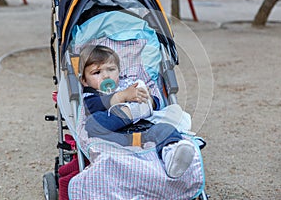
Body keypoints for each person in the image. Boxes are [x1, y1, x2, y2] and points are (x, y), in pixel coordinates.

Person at [79, 45, 195, 178]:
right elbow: (93, 107)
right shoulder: (91, 95)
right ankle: (130, 113)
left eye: (111, 69)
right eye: (97, 72)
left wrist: (149, 100)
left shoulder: (128, 84)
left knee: (165, 129)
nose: (106, 76)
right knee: (92, 124)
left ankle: (172, 155)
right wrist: (121, 96)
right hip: (117, 136)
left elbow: (157, 104)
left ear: (119, 71)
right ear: (84, 81)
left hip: (144, 131)